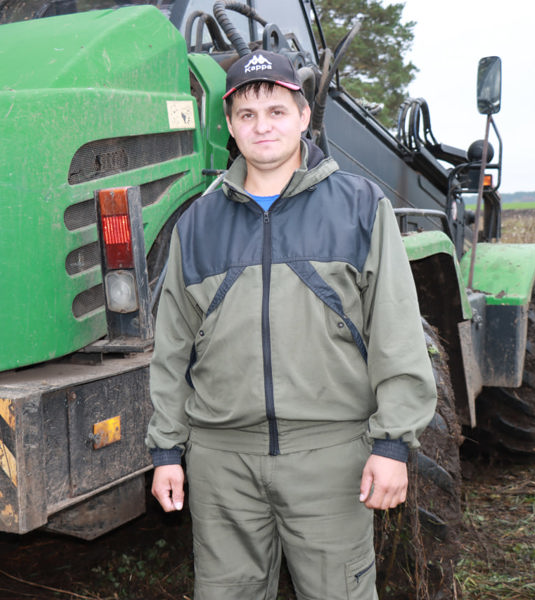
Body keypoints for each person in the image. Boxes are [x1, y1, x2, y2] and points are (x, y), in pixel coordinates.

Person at [145, 49, 437, 600]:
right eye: (247, 115)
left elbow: (396, 334)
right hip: (221, 463)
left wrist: (394, 443)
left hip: (329, 458)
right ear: (229, 127)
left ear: (304, 117)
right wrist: (166, 453)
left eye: (277, 111)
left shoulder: (358, 206)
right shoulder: (197, 224)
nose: (263, 127)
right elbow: (172, 352)